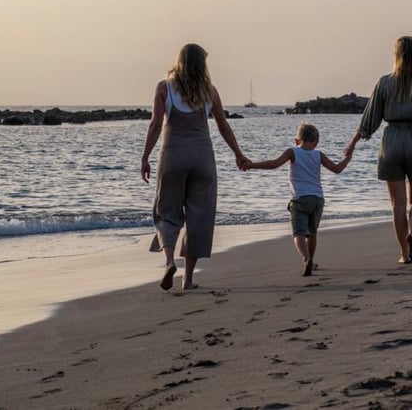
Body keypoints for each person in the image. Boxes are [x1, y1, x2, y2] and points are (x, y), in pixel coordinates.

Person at [141, 43, 249, 291]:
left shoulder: (164, 88)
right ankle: (188, 279)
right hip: (203, 160)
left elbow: (155, 125)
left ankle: (169, 262)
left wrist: (145, 157)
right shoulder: (210, 92)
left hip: (173, 157)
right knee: (199, 217)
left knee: (167, 212)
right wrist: (238, 154)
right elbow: (223, 126)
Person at [345, 35, 412, 264]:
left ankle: (404, 254)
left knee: (397, 204)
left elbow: (370, 119)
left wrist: (352, 143)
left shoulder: (385, 83)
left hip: (390, 141)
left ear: (396, 55)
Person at [242, 122, 351, 276]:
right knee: (312, 233)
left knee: (298, 233)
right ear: (316, 141)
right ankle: (311, 260)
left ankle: (306, 259)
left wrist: (251, 165)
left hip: (300, 199)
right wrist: (348, 157)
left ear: (296, 140)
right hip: (317, 199)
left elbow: (273, 164)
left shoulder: (292, 152)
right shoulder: (318, 154)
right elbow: (337, 169)